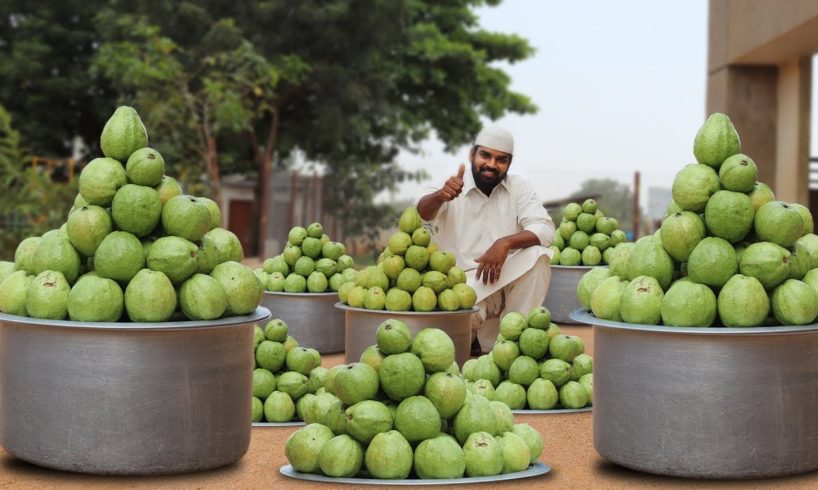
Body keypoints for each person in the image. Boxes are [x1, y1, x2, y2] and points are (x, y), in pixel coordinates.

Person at [417, 125, 555, 355]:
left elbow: (545, 228)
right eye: (485, 155)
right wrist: (441, 196)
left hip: (505, 279)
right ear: (472, 154)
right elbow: (421, 211)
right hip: (464, 285)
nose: (492, 164)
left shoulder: (519, 187)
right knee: (445, 344)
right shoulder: (450, 183)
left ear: (509, 163)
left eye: (501, 159)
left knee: (539, 256)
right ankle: (475, 339)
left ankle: (516, 344)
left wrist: (505, 243)